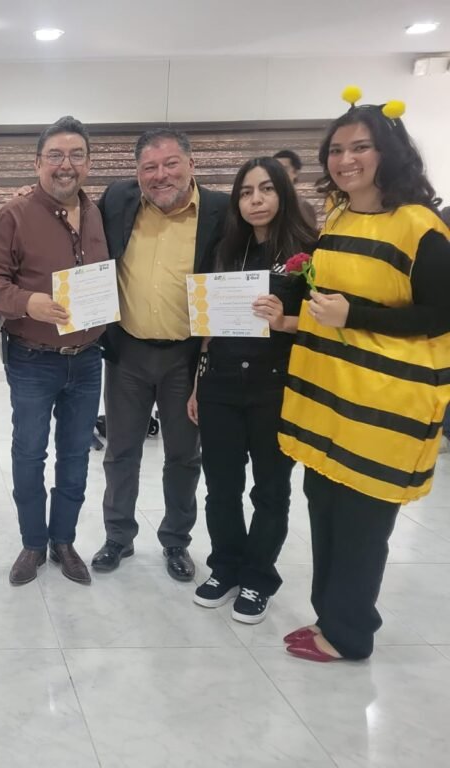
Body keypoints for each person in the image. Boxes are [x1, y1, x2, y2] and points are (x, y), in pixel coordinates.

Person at [278, 93, 450, 662]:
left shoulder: (421, 228)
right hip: (330, 396)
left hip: (383, 406)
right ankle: (330, 616)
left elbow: (440, 315)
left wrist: (357, 315)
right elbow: (330, 298)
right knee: (324, 508)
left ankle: (349, 634)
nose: (345, 160)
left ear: (389, 152)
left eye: (360, 148)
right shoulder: (339, 217)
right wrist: (292, 315)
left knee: (361, 525)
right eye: (336, 150)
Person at [186, 157, 316, 623]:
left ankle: (259, 577)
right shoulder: (225, 249)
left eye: (266, 189)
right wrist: (197, 383)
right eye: (246, 192)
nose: (255, 200)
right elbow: (206, 327)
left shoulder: (308, 251)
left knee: (271, 490)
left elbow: (328, 322)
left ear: (284, 193)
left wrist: (285, 321)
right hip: (219, 383)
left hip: (275, 386)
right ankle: (225, 567)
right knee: (221, 486)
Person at [94, 129, 228, 581]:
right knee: (120, 451)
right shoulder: (117, 199)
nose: (160, 175)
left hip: (186, 357)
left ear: (191, 165)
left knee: (184, 456)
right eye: (149, 167)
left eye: (171, 164)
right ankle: (118, 536)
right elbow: (73, 220)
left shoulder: (221, 210)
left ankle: (175, 540)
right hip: (127, 352)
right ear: (137, 173)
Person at [0, 116, 108, 587]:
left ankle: (64, 541)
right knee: (29, 453)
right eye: (55, 155)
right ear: (37, 162)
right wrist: (27, 302)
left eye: (76, 155)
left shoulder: (99, 213)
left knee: (75, 455)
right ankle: (33, 543)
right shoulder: (12, 216)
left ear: (88, 163)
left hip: (89, 358)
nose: (66, 165)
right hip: (32, 358)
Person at [273, 149, 319, 229]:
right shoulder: (265, 203)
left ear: (295, 173)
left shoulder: (305, 208)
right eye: (275, 169)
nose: (278, 173)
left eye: (283, 169)